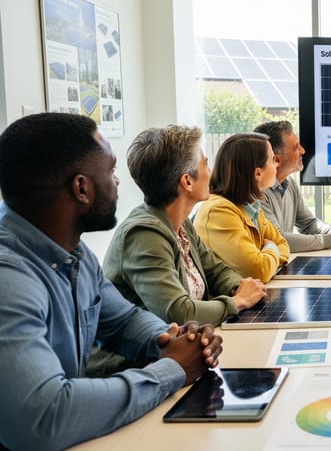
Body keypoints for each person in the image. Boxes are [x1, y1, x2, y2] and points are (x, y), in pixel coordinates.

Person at [0, 113, 223, 450]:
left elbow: (122, 321)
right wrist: (171, 368)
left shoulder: (75, 254)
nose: (118, 181)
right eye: (111, 170)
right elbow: (43, 415)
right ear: (81, 188)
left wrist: (172, 339)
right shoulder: (9, 277)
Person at [103, 126, 267, 325]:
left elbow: (216, 271)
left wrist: (239, 286)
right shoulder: (143, 235)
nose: (211, 172)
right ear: (187, 181)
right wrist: (238, 301)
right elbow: (178, 313)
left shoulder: (182, 223)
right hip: (146, 346)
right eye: (205, 164)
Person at [253, 121, 331, 252]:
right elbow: (278, 239)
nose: (303, 150)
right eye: (296, 147)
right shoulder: (256, 191)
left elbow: (309, 224)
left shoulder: (289, 183)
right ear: (276, 159)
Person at [194, 132, 290, 281]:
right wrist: (271, 248)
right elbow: (259, 270)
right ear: (257, 173)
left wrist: (267, 255)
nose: (277, 164)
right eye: (272, 160)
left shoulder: (250, 206)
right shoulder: (219, 211)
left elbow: (283, 244)